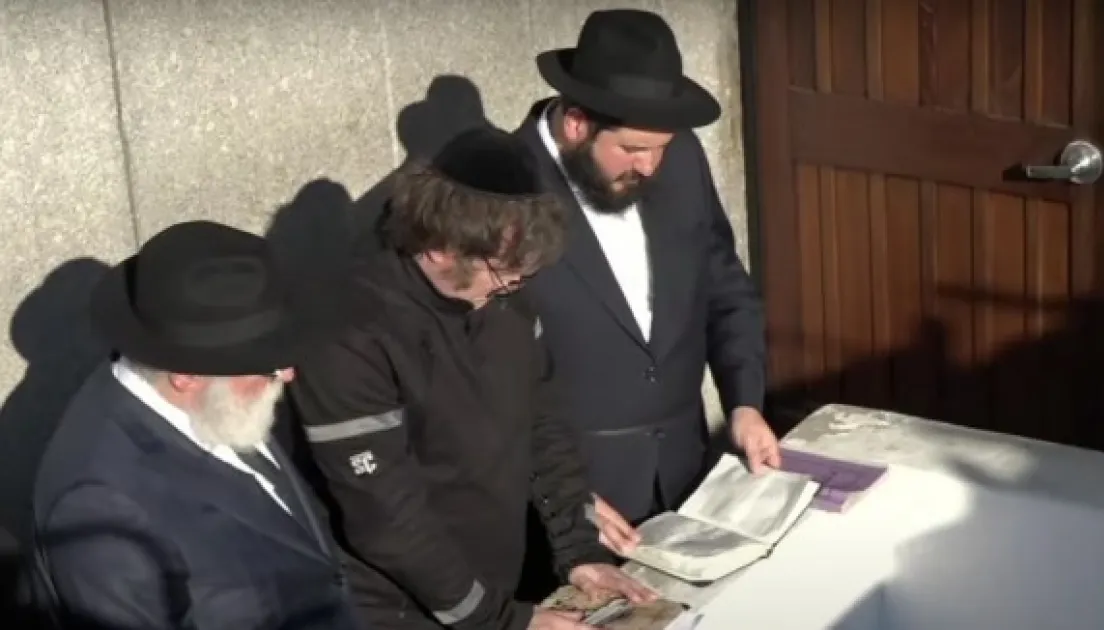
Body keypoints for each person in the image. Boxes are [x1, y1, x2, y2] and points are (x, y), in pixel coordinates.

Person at [285, 127, 655, 630]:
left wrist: (579, 551)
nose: (513, 285)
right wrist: (498, 621)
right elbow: (387, 517)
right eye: (503, 271)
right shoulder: (349, 335)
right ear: (440, 246)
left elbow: (543, 425)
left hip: (493, 581)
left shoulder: (506, 300)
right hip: (401, 607)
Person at [513, 9, 783, 554]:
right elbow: (480, 378)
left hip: (685, 470)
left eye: (662, 147)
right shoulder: (504, 187)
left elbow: (723, 284)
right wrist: (564, 498)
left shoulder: (680, 157)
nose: (652, 166)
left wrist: (744, 400)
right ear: (576, 124)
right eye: (634, 150)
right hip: (576, 501)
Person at [27, 220, 364, 629]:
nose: (288, 375)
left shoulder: (218, 402)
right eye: (267, 365)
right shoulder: (98, 506)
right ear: (186, 376)